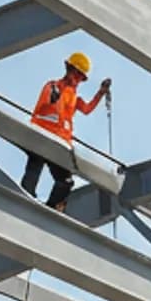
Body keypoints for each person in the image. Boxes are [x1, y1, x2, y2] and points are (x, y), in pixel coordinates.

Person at [20, 51, 111, 213]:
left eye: (81, 77)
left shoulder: (74, 98)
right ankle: (25, 196)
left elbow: (87, 109)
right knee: (35, 165)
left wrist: (101, 93)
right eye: (76, 74)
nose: (77, 80)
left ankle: (53, 209)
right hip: (42, 136)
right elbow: (44, 104)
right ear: (68, 69)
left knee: (66, 181)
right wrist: (53, 99)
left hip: (59, 143)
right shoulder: (52, 86)